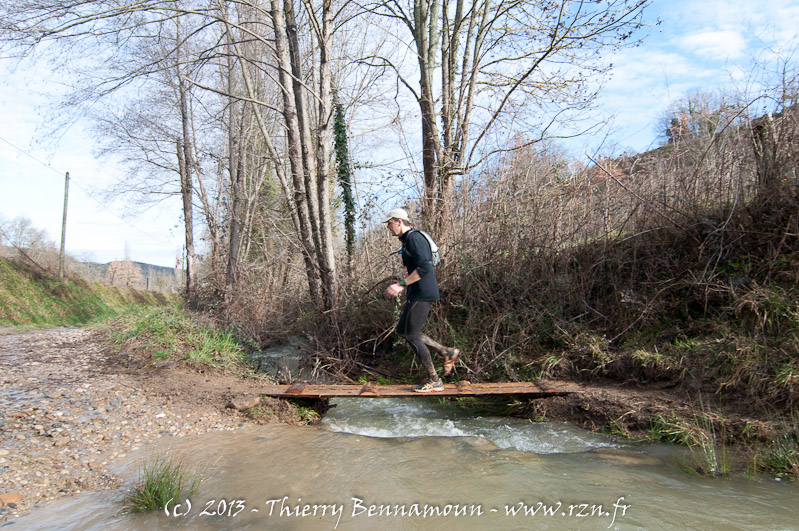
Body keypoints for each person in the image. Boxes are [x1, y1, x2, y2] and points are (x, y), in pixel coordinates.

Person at [384, 208, 460, 393]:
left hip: (422, 292)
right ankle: (445, 352)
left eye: (389, 223)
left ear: (399, 221)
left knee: (412, 336)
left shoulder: (414, 238)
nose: (388, 227)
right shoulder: (408, 239)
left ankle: (435, 380)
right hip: (415, 293)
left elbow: (425, 267)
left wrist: (401, 284)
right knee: (403, 331)